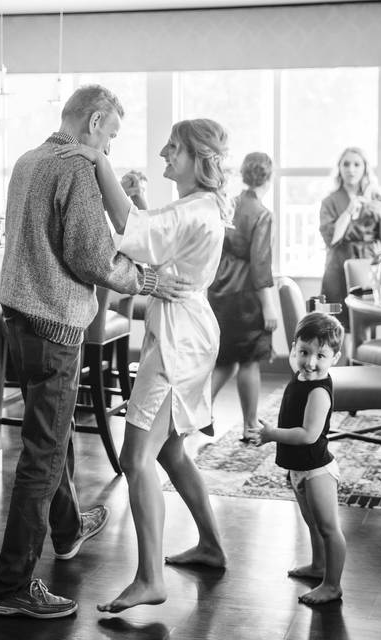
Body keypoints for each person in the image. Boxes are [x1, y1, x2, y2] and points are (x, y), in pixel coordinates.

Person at [0, 85, 189, 620]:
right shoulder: (76, 170)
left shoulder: (28, 160)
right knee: (44, 454)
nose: (112, 147)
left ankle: (70, 527)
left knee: (51, 438)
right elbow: (92, 258)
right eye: (113, 134)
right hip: (54, 324)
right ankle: (11, 585)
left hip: (19, 320)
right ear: (95, 122)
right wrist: (147, 280)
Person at [56, 117, 230, 614]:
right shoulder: (197, 206)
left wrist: (100, 160)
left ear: (199, 158)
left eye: (173, 147)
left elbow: (136, 231)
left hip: (179, 341)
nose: (162, 153)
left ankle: (150, 578)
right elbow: (151, 231)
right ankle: (212, 545)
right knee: (170, 451)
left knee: (135, 458)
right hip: (183, 331)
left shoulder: (196, 209)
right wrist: (131, 197)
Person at [255, 312, 346, 606]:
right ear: (294, 348)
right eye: (304, 352)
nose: (310, 362)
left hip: (317, 469)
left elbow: (308, 434)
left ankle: (332, 585)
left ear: (336, 358)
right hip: (300, 468)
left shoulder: (319, 391)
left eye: (321, 355)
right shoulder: (302, 376)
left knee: (329, 528)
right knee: (312, 522)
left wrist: (273, 434)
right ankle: (319, 566)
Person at [207, 152, 278, 442]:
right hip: (246, 296)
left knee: (224, 361)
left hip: (220, 290)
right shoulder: (262, 214)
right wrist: (269, 306)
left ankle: (194, 415)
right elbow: (260, 264)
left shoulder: (229, 205)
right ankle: (250, 425)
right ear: (269, 178)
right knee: (248, 361)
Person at [319, 147, 381, 330]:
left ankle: (363, 358)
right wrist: (349, 211)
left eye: (356, 164)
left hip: (369, 266)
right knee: (336, 323)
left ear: (365, 168)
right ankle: (341, 358)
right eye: (346, 164)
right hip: (338, 267)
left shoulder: (378, 198)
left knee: (368, 320)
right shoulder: (330, 201)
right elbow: (332, 238)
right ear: (339, 168)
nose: (351, 169)